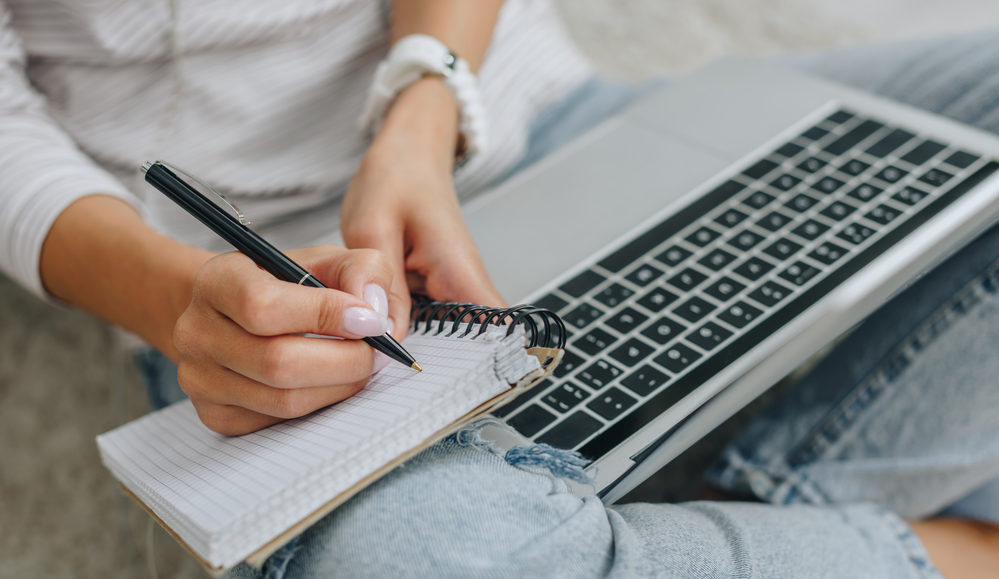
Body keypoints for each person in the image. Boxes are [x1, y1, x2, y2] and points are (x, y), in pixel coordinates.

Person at [0, 0, 996, 575]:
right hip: (253, 291)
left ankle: (750, 505)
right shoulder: (223, 304)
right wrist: (183, 303)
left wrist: (426, 108)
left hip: (544, 119)